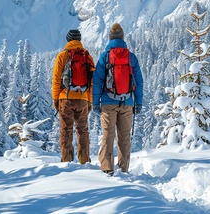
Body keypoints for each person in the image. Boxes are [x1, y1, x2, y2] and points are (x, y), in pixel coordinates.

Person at [92, 23, 143, 175]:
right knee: (124, 136)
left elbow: (97, 81)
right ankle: (123, 168)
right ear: (122, 38)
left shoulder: (105, 57)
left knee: (108, 135)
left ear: (110, 38)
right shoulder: (131, 57)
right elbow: (139, 81)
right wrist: (138, 102)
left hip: (108, 103)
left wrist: (96, 102)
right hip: (127, 102)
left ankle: (107, 167)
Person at [52, 29, 95, 164]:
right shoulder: (87, 56)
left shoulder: (62, 56)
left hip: (66, 98)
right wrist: (90, 101)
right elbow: (92, 81)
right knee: (83, 130)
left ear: (68, 40)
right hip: (83, 99)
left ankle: (67, 160)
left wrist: (56, 99)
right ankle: (84, 160)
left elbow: (56, 79)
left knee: (66, 130)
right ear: (79, 40)